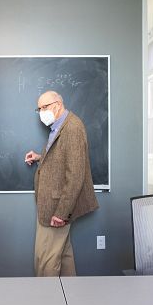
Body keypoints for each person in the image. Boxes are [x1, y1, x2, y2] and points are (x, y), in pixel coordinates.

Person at [24, 91, 99, 276]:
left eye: (45, 107)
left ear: (57, 104)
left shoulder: (72, 128)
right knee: (65, 258)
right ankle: (69, 299)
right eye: (39, 109)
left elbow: (75, 174)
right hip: (52, 204)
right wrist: (40, 158)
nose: (41, 112)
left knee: (45, 262)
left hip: (56, 207)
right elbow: (62, 160)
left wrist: (61, 212)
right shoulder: (59, 126)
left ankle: (48, 302)